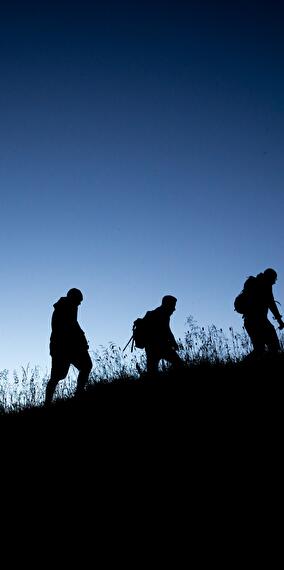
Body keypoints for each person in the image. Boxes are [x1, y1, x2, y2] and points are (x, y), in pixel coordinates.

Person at [45, 288, 92, 405]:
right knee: (57, 376)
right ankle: (48, 403)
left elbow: (74, 326)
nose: (80, 304)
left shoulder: (68, 307)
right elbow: (69, 328)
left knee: (85, 366)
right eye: (79, 301)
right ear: (73, 297)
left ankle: (78, 394)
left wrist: (82, 339)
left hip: (68, 347)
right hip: (63, 348)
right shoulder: (64, 307)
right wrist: (81, 340)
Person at [242, 268, 284, 359]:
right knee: (271, 348)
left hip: (251, 321)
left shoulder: (256, 283)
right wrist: (280, 321)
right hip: (258, 321)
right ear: (270, 278)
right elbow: (271, 304)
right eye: (274, 279)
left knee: (260, 350)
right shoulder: (265, 286)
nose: (274, 282)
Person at [143, 295, 184, 375]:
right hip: (161, 346)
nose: (174, 309)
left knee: (152, 372)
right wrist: (174, 343)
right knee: (179, 364)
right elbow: (167, 331)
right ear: (167, 304)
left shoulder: (157, 313)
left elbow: (166, 330)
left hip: (150, 347)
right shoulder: (162, 314)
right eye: (173, 306)